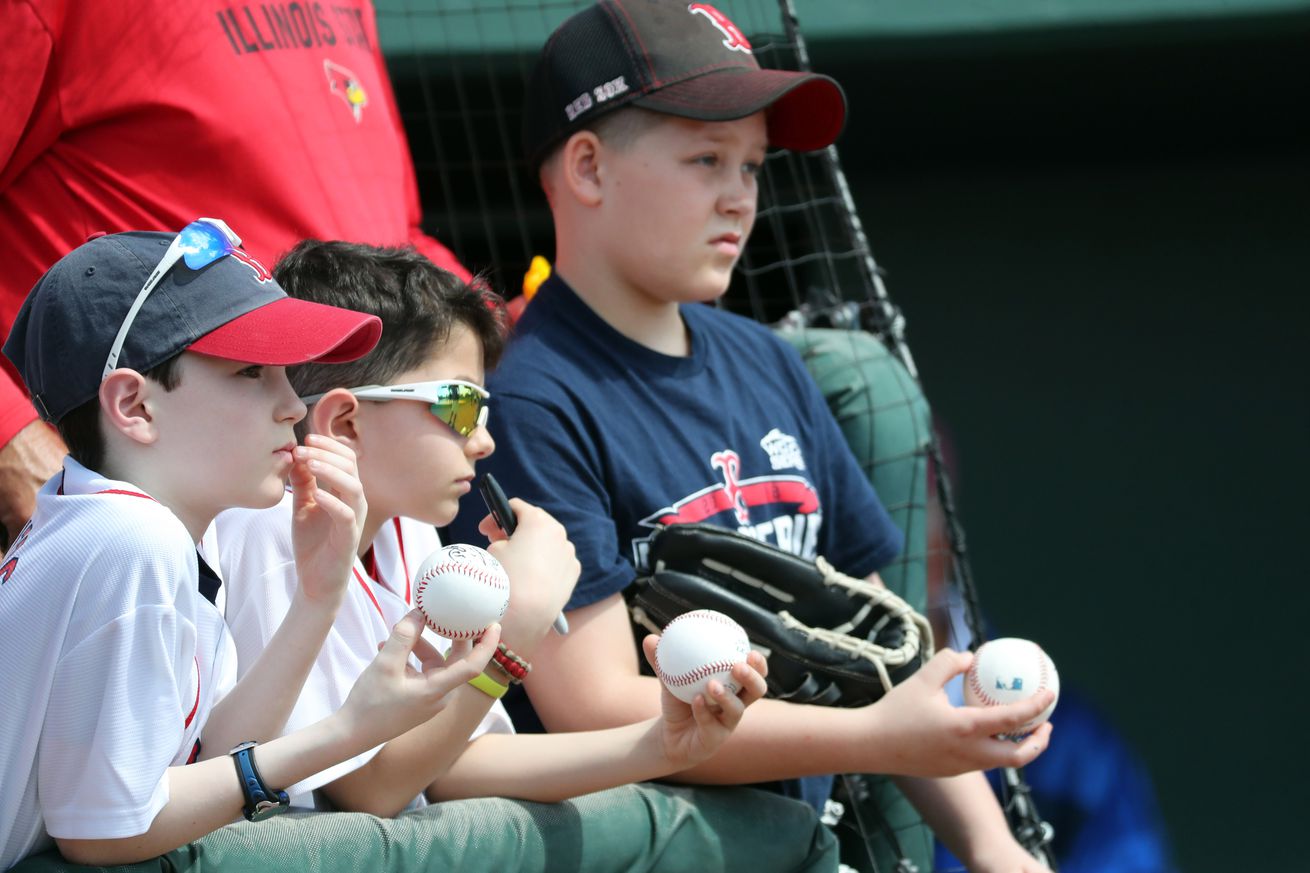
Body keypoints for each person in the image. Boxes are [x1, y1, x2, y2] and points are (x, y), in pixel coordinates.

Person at [446, 3, 1055, 871]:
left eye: (753, 165)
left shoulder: (767, 361)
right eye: (705, 160)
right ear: (587, 166)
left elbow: (875, 647)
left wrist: (996, 850)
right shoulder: (530, 401)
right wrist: (879, 734)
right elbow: (596, 705)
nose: (741, 196)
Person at [202, 240, 838, 872]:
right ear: (345, 425)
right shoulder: (270, 530)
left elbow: (450, 765)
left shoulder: (402, 525)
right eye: (459, 405)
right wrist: (510, 640)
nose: (483, 440)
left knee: (769, 829)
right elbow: (361, 795)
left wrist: (666, 748)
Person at [0, 222, 498, 871]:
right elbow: (106, 831)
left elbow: (205, 762)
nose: (292, 404)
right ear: (135, 406)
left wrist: (318, 598)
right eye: (250, 372)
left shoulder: (128, 524)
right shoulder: (130, 538)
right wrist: (350, 730)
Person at [0, 0, 467, 544]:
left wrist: (530, 338)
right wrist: (13, 443)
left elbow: (396, 231)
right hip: (138, 494)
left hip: (334, 493)